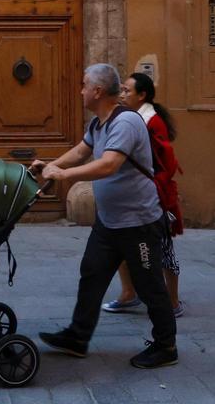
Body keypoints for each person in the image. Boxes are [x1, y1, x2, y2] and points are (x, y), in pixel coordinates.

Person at [33, 63, 177, 370]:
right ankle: (77, 337)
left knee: (149, 285)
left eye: (85, 84)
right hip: (110, 222)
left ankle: (166, 346)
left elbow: (109, 164)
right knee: (92, 274)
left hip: (138, 223)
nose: (81, 89)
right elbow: (81, 152)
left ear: (98, 91)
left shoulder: (125, 123)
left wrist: (65, 175)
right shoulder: (99, 124)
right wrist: (50, 168)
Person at [103, 72, 185, 317]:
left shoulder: (152, 121)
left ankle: (172, 302)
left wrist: (151, 188)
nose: (122, 94)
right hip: (132, 197)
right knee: (122, 246)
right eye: (122, 90)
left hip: (152, 198)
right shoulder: (131, 117)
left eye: (127, 91)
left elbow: (165, 163)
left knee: (163, 251)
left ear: (142, 95)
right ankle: (129, 294)